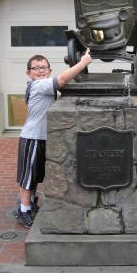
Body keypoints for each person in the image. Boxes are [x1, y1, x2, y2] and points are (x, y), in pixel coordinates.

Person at [15, 48, 92, 228]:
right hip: (32, 137)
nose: (41, 70)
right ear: (29, 73)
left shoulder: (42, 84)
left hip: (41, 137)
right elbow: (63, 80)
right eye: (36, 68)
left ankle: (31, 202)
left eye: (44, 67)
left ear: (49, 71)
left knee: (34, 175)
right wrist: (83, 62)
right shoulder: (38, 85)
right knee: (28, 177)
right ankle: (23, 210)